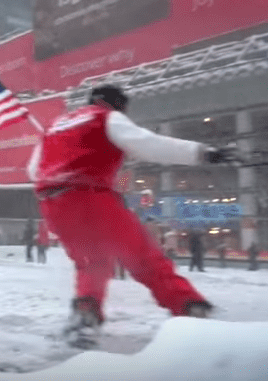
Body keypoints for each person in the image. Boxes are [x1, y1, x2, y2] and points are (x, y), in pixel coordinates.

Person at [28, 84, 233, 344]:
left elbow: (34, 171)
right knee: (143, 255)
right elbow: (149, 144)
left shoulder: (54, 126)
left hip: (53, 204)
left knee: (92, 260)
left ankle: (85, 314)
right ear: (116, 104)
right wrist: (203, 153)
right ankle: (191, 307)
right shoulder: (105, 117)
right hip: (91, 197)